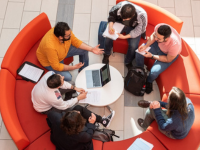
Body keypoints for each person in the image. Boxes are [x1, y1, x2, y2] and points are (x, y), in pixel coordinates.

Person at [36, 22, 104, 81]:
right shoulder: (50, 47)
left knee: (85, 50)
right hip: (51, 61)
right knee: (68, 77)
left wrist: (91, 49)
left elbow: (76, 42)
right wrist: (73, 67)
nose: (70, 35)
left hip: (64, 50)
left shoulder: (64, 32)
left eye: (70, 33)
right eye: (68, 35)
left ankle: (83, 70)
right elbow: (56, 66)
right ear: (61, 37)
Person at [136, 23, 182, 94]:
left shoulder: (175, 45)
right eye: (156, 36)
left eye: (158, 38)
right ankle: (141, 73)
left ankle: (149, 81)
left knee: (154, 72)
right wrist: (146, 46)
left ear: (166, 38)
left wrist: (152, 56)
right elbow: (153, 36)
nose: (155, 38)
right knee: (139, 53)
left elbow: (167, 59)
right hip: (157, 45)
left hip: (167, 54)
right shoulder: (159, 27)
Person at [102, 1, 147, 70]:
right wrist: (110, 26)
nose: (123, 19)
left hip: (133, 28)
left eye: (125, 19)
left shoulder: (142, 15)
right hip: (119, 23)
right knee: (108, 37)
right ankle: (106, 54)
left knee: (133, 46)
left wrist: (124, 37)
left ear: (132, 16)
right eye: (122, 17)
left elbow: (139, 30)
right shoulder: (117, 8)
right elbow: (111, 16)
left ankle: (128, 62)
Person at [47, 105, 114, 150]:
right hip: (70, 147)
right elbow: (89, 137)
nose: (79, 112)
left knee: (78, 107)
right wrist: (91, 124)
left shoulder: (56, 117)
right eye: (78, 114)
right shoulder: (82, 135)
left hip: (59, 137)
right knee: (89, 129)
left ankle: (103, 121)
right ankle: (94, 124)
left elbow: (49, 116)